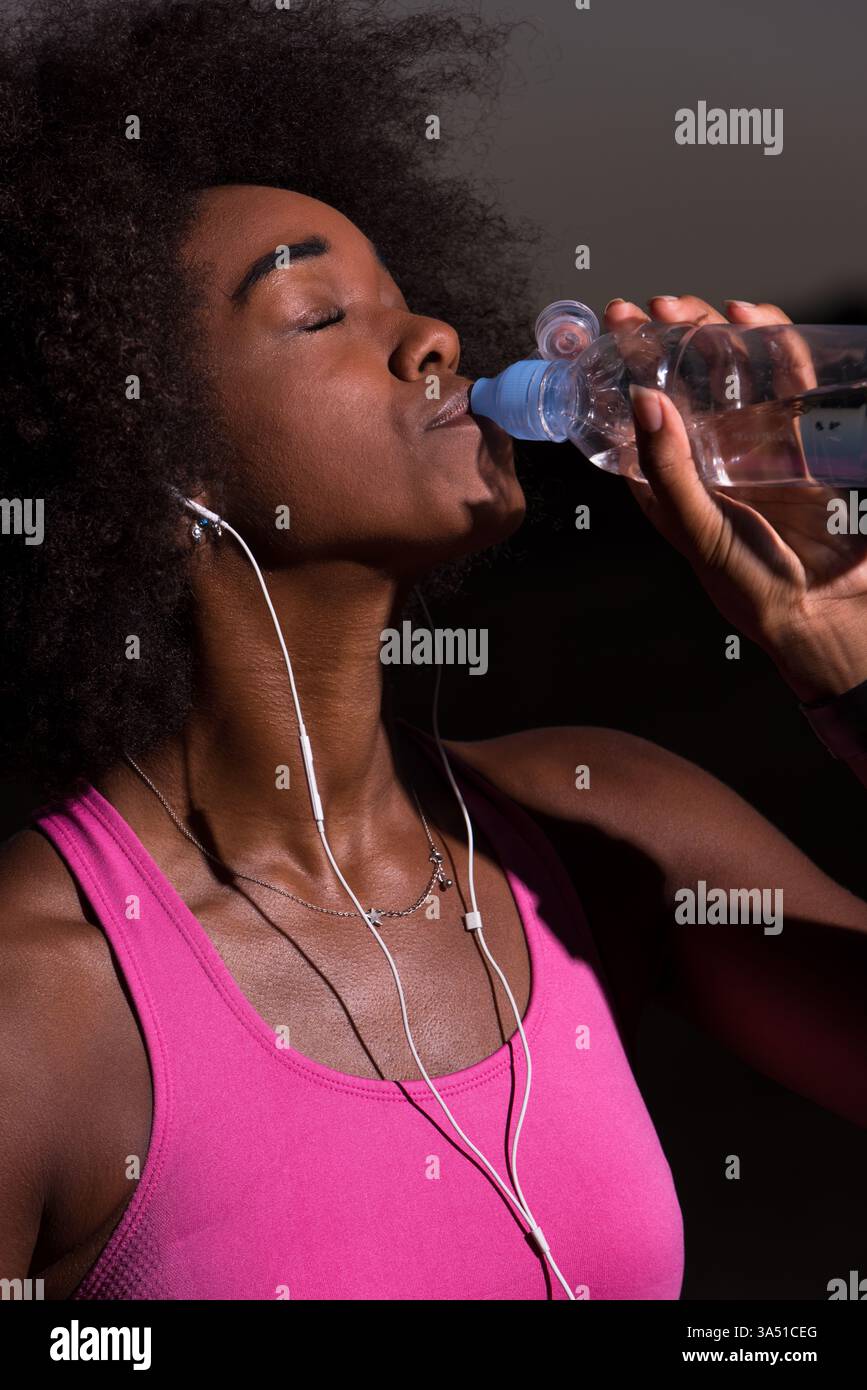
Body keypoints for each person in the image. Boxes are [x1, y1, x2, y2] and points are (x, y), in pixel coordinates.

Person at [1, 0, 864, 1302]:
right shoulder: (41, 999)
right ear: (143, 453)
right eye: (317, 313)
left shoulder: (589, 825)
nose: (437, 340)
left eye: (405, 298)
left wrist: (843, 655)